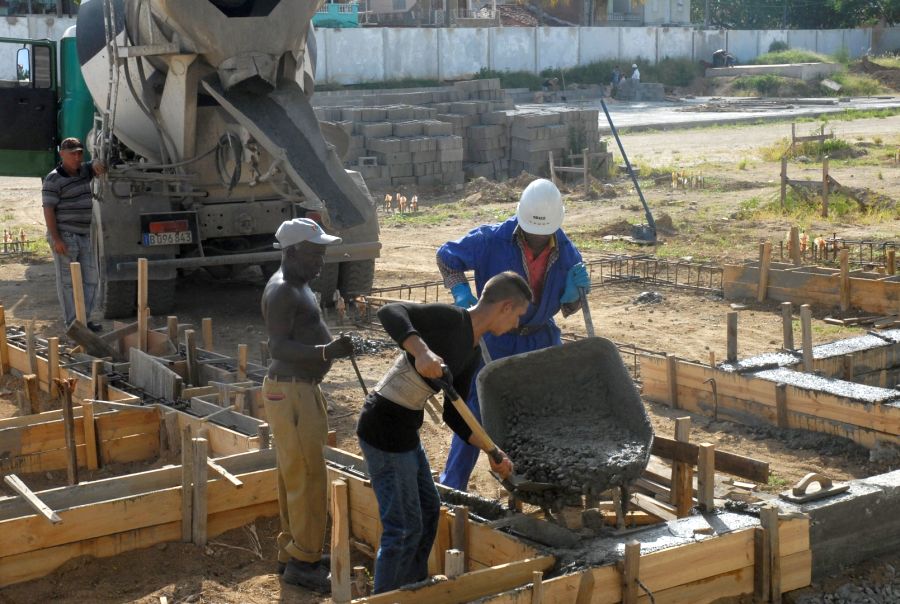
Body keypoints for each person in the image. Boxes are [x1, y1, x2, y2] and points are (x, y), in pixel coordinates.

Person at [356, 272, 528, 593]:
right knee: (403, 528)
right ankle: (385, 599)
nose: (517, 324)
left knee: (429, 511)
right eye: (518, 315)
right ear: (505, 307)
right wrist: (421, 351)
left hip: (405, 430)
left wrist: (493, 452)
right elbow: (391, 312)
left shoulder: (473, 351)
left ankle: (413, 588)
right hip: (382, 427)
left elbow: (455, 415)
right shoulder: (451, 320)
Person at [434, 178, 589, 491]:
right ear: (521, 219)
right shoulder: (492, 239)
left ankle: (536, 476)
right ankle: (453, 486)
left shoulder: (565, 249)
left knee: (545, 405)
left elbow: (569, 307)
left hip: (540, 337)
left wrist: (576, 293)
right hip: (496, 337)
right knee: (476, 411)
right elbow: (446, 257)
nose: (538, 238)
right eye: (533, 231)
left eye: (544, 233)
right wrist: (461, 292)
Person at [261, 217, 355, 593]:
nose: (321, 262)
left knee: (294, 473)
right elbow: (278, 347)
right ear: (293, 251)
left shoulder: (299, 285)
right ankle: (304, 562)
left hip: (297, 388)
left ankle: (294, 551)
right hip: (291, 390)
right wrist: (326, 351)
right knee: (308, 475)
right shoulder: (282, 290)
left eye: (323, 254)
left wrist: (329, 348)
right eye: (315, 254)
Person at [42, 137, 105, 332]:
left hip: (83, 235)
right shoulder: (53, 179)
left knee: (91, 278)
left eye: (79, 153)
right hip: (65, 236)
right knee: (68, 283)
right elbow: (48, 210)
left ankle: (84, 321)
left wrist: (97, 163)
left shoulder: (83, 171)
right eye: (72, 154)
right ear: (62, 154)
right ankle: (73, 324)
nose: (77, 157)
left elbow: (93, 166)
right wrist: (57, 239)